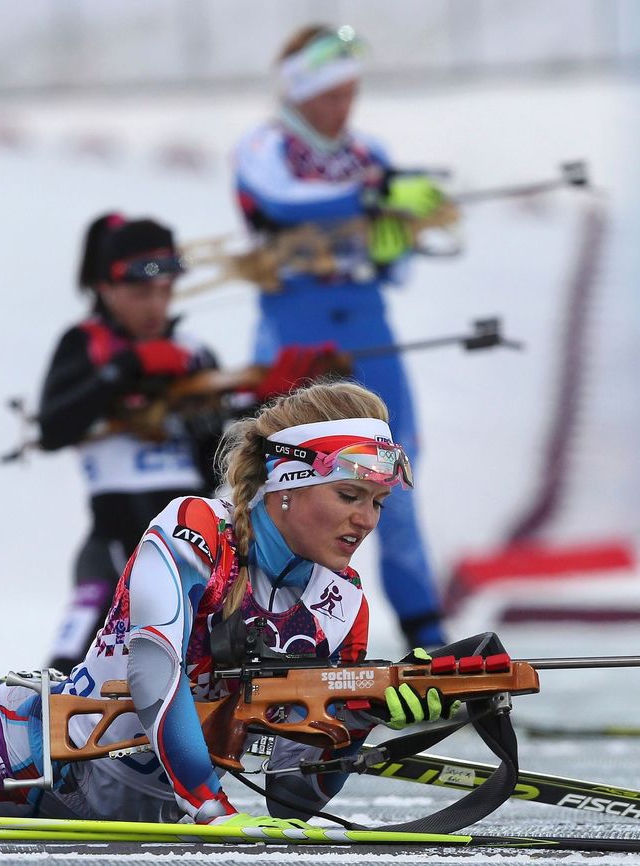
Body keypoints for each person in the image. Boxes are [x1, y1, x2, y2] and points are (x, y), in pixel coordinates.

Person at [0, 381, 457, 823]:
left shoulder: (344, 604)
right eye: (350, 495)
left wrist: (357, 716)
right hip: (17, 759)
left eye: (377, 502)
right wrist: (208, 804)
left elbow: (290, 796)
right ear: (286, 483)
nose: (367, 520)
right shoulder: (197, 529)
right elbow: (154, 671)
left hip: (153, 817)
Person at [232, 24, 450, 648]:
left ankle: (429, 638)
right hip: (294, 332)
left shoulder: (369, 151)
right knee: (281, 478)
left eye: (350, 94)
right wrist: (373, 195)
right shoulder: (264, 146)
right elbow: (283, 198)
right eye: (329, 96)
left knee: (395, 476)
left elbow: (396, 263)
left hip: (368, 330)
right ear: (299, 92)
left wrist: (397, 235)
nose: (342, 108)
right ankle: (251, 621)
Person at [39, 215, 331, 674]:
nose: (156, 305)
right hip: (116, 540)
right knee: (68, 663)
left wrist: (266, 406)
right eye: (141, 293)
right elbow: (53, 427)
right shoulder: (87, 345)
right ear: (106, 287)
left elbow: (215, 465)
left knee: (216, 659)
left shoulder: (196, 356)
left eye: (166, 291)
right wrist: (129, 366)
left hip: (192, 541)